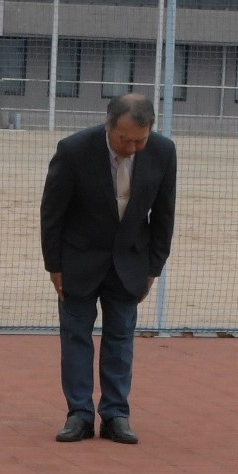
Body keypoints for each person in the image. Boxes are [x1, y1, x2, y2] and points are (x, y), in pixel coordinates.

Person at [40, 91, 176, 445]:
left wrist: (154, 267)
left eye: (139, 141)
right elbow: (52, 212)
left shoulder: (163, 152)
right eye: (124, 139)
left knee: (121, 338)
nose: (131, 148)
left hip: (130, 263)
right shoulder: (74, 150)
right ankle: (79, 414)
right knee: (76, 338)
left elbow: (164, 215)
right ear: (108, 126)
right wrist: (54, 265)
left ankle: (116, 414)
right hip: (78, 261)